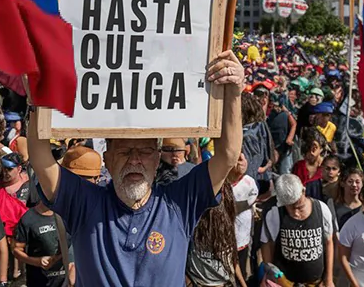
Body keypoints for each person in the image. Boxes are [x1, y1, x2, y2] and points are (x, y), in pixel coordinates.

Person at [27, 50, 245, 285]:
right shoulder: (85, 203)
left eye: (144, 152)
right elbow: (41, 160)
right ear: (107, 159)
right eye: (124, 152)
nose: (134, 160)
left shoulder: (179, 204)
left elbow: (228, 155)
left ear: (157, 159)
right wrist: (36, 103)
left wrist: (233, 93)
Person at [260, 174, 335, 286]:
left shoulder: (322, 209)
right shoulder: (274, 213)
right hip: (285, 282)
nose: (295, 212)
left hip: (316, 282)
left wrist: (328, 279)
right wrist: (271, 276)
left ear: (303, 191)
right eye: (290, 207)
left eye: (299, 207)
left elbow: (329, 242)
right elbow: (267, 244)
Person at [185, 182, 246, 287]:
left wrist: (242, 283)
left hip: (224, 283)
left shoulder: (226, 226)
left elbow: (233, 259)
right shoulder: (193, 224)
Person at [13, 200, 72, 287]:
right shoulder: (28, 219)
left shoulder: (68, 214)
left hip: (67, 279)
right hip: (40, 280)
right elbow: (16, 250)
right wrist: (38, 261)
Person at [226, 152, 257, 279]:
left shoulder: (249, 182)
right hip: (225, 239)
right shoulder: (222, 183)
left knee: (242, 268)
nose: (241, 162)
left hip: (242, 237)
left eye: (243, 159)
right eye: (238, 159)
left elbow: (253, 198)